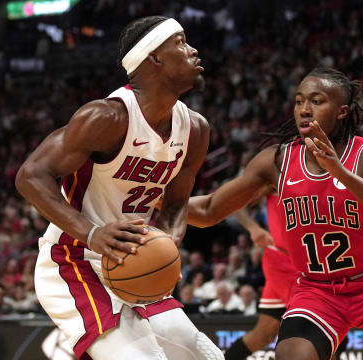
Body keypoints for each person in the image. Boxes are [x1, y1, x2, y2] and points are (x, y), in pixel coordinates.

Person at [185, 68, 363, 360]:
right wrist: (149, 200)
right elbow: (210, 210)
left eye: (316, 101)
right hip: (316, 289)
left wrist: (339, 171)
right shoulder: (276, 161)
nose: (304, 109)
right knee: (291, 354)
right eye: (299, 101)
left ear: (342, 111)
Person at [16, 16, 222, 360]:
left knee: (206, 356)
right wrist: (92, 233)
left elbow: (175, 206)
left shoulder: (195, 130)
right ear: (154, 57)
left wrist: (167, 245)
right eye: (181, 42)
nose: (193, 50)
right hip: (75, 261)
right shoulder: (107, 118)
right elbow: (30, 176)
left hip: (132, 261)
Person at [224, 194, 298, 360]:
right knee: (315, 326)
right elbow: (236, 201)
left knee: (265, 333)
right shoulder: (276, 173)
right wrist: (253, 227)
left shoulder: (329, 173)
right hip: (282, 260)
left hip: (308, 260)